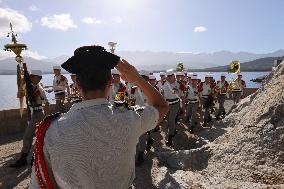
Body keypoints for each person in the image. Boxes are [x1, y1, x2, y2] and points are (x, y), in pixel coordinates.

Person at [29, 45, 168, 189]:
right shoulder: (130, 119)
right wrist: (137, 79)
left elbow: (39, 184)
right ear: (109, 82)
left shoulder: (49, 132)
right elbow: (162, 107)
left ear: (77, 84)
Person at [10, 70, 50, 168]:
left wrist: (46, 119)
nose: (31, 78)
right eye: (30, 76)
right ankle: (26, 158)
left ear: (38, 78)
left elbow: (46, 103)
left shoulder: (39, 89)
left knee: (38, 137)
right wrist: (22, 84)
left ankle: (34, 157)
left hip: (39, 114)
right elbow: (19, 95)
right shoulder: (28, 87)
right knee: (29, 136)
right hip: (33, 114)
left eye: (33, 76)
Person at [160, 69, 181, 146]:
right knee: (169, 119)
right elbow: (162, 94)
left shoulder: (178, 84)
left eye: (170, 76)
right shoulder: (164, 84)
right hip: (167, 104)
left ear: (174, 76)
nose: (168, 77)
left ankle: (170, 137)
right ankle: (173, 130)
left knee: (171, 119)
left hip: (175, 103)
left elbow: (179, 93)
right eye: (167, 76)